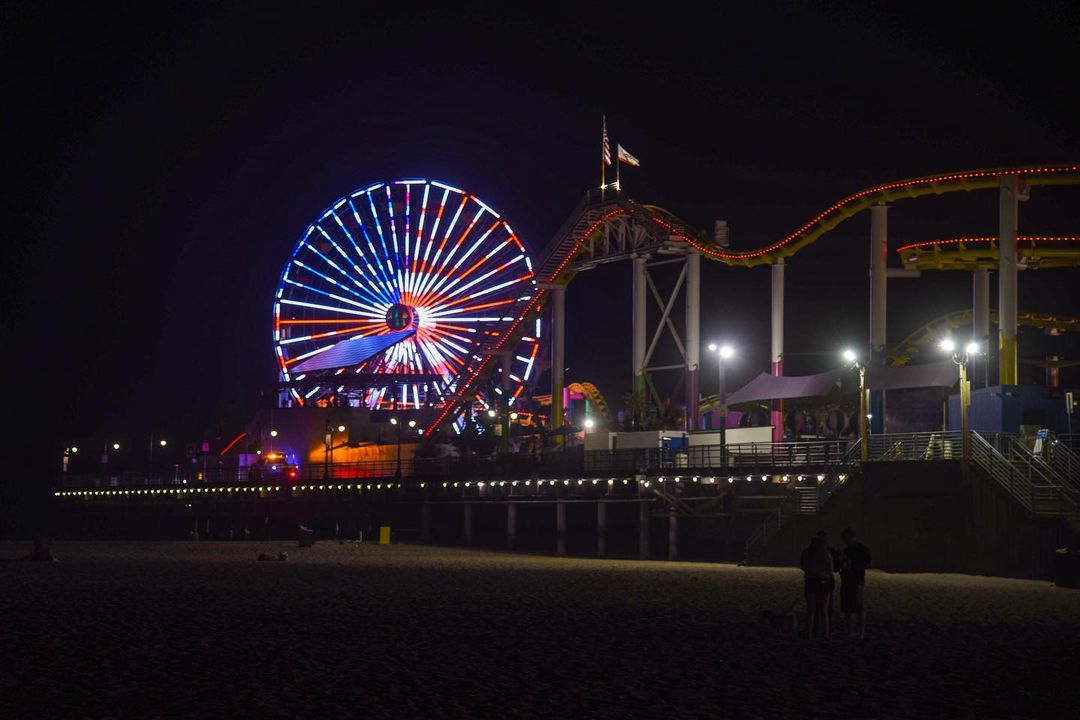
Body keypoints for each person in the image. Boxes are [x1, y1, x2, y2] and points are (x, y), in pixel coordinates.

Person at [839, 527, 872, 639]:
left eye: (847, 539)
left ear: (852, 537)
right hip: (848, 579)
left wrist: (852, 566)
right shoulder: (847, 549)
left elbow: (867, 564)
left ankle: (860, 632)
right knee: (849, 607)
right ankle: (850, 631)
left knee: (858, 606)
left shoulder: (861, 549)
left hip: (857, 580)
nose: (846, 541)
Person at [800, 533, 834, 639]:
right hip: (823, 581)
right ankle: (825, 634)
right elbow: (830, 570)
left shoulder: (807, 553)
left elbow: (803, 566)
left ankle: (809, 633)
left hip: (811, 581)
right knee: (824, 611)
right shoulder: (826, 554)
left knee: (811, 610)